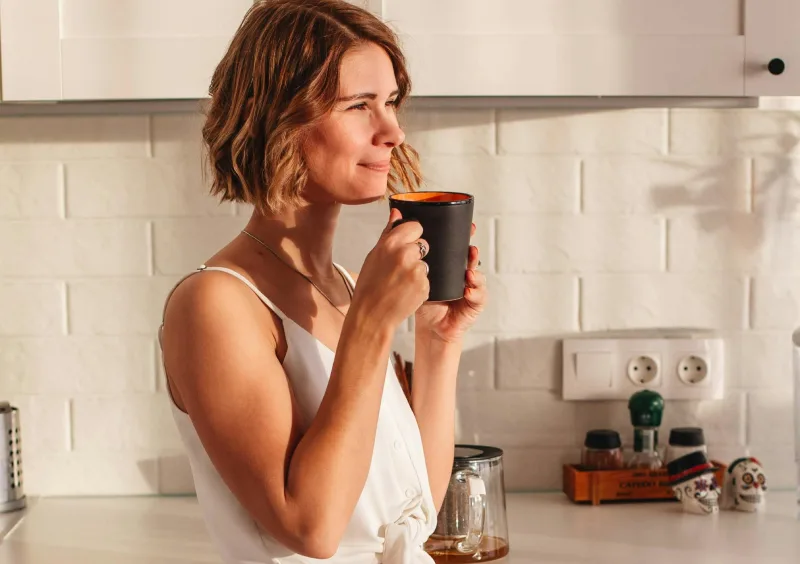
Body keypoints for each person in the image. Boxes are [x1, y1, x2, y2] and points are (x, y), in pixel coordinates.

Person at [158, 1, 487, 563]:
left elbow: (414, 513)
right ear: (281, 117)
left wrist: (437, 340)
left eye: (390, 103)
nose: (392, 130)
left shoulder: (349, 288)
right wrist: (372, 325)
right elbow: (311, 529)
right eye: (360, 105)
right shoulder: (214, 304)